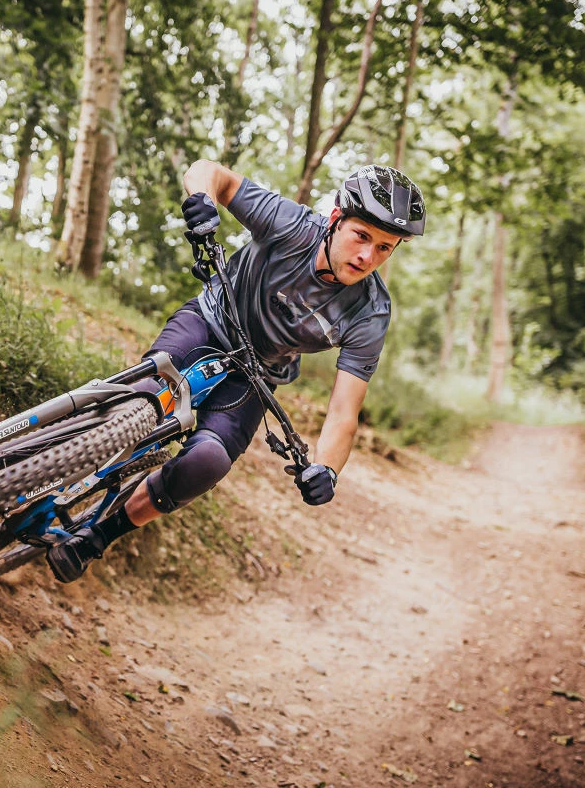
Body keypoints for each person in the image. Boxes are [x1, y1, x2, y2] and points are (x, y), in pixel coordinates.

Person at [46, 161, 426, 583]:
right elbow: (211, 174)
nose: (367, 256)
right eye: (362, 236)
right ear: (336, 218)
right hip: (210, 323)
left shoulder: (370, 312)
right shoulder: (292, 226)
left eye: (384, 248)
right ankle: (40, 454)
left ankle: (97, 536)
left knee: (207, 461)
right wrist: (202, 201)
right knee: (145, 396)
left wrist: (328, 469)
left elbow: (343, 412)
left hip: (256, 376)